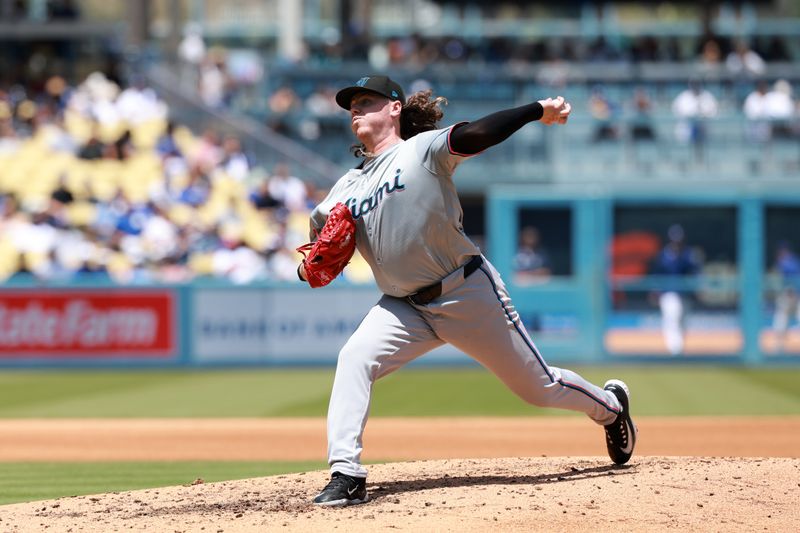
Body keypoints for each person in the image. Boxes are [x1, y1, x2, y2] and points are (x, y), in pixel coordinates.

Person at [298, 75, 637, 507]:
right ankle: (346, 473)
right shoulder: (343, 188)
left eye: (367, 101)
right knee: (354, 358)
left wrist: (536, 109)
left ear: (395, 108)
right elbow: (317, 248)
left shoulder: (420, 151)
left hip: (465, 291)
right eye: (352, 105)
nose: (356, 110)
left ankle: (610, 405)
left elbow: (475, 133)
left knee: (540, 387)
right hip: (403, 307)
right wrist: (307, 266)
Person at [651, 224, 702, 355]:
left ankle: (678, 349)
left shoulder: (688, 254)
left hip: (684, 293)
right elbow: (657, 274)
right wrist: (655, 290)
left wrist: (696, 288)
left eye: (679, 240)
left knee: (683, 321)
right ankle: (674, 350)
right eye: (674, 240)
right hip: (668, 293)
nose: (676, 242)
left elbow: (695, 272)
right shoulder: (663, 255)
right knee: (671, 319)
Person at [771, 241, 800, 353]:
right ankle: (779, 345)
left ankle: (779, 345)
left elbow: (790, 279)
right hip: (796, 293)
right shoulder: (795, 260)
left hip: (790, 293)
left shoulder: (784, 262)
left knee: (781, 318)